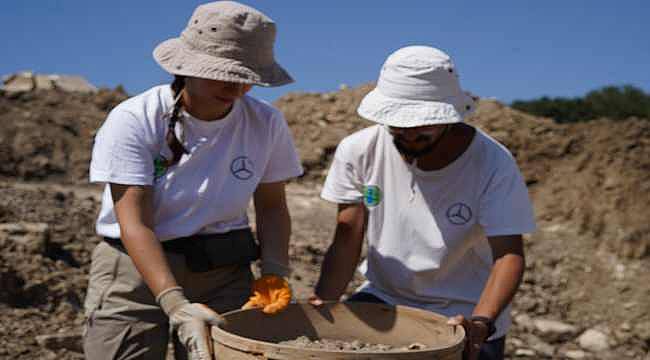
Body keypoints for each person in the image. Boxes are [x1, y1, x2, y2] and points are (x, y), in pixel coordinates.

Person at [83, 2, 302, 359]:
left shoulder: (266, 124)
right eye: (222, 74)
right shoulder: (135, 119)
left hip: (224, 272)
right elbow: (134, 222)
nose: (236, 87)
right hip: (135, 273)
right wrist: (174, 302)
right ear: (186, 66)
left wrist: (274, 272)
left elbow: (272, 206)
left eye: (245, 76)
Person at [311, 46, 536, 360]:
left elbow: (509, 255)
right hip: (384, 299)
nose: (410, 136)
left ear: (448, 117)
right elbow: (348, 235)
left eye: (423, 131)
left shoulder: (492, 163)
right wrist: (322, 310)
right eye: (399, 130)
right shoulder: (359, 150)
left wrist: (481, 324)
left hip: (464, 311)